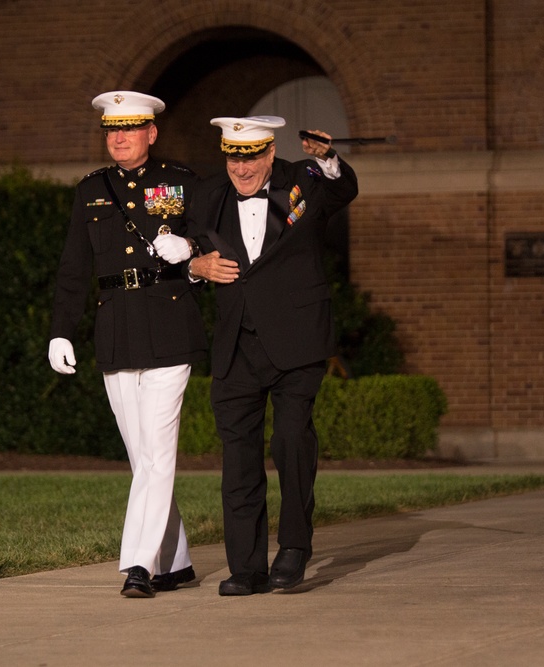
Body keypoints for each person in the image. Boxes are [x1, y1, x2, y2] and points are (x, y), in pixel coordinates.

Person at [182, 115, 358, 595]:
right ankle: (246, 567)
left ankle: (295, 547)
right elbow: (188, 252)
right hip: (237, 343)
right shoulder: (208, 194)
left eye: (252, 157)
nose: (241, 168)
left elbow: (343, 192)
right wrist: (197, 268)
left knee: (290, 441)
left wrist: (326, 158)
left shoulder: (303, 180)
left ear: (271, 152)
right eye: (233, 157)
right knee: (238, 458)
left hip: (298, 338)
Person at [47, 90, 207, 598]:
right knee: (144, 457)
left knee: (158, 452)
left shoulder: (180, 183)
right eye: (111, 129)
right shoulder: (90, 190)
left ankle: (139, 564)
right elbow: (74, 268)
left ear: (151, 133)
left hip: (168, 321)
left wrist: (192, 250)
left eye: (130, 128)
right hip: (116, 325)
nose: (118, 137)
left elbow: (215, 240)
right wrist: (60, 329)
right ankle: (176, 561)